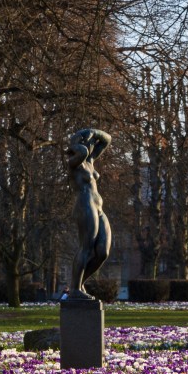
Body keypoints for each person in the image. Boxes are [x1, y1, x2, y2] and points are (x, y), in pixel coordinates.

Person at [67, 128, 113, 300]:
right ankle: (74, 289)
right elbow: (82, 152)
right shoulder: (74, 163)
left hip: (98, 208)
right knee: (86, 248)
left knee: (103, 252)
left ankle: (78, 284)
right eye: (89, 142)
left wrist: (93, 132)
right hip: (84, 205)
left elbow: (107, 139)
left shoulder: (90, 161)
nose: (92, 145)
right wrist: (77, 142)